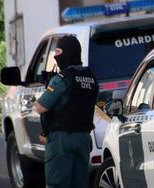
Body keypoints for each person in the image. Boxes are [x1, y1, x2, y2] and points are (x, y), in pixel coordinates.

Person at [35, 35, 99, 188]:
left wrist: (39, 97)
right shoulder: (91, 77)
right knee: (80, 183)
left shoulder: (61, 79)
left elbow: (41, 107)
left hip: (61, 140)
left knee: (57, 183)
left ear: (67, 53)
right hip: (83, 138)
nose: (56, 56)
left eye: (58, 52)